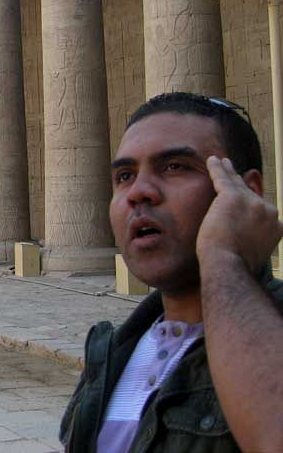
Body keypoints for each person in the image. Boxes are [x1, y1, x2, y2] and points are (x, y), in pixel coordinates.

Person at [60, 92, 283, 453]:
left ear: (246, 191)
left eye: (175, 166)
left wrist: (224, 257)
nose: (139, 192)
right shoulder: (115, 352)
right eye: (125, 175)